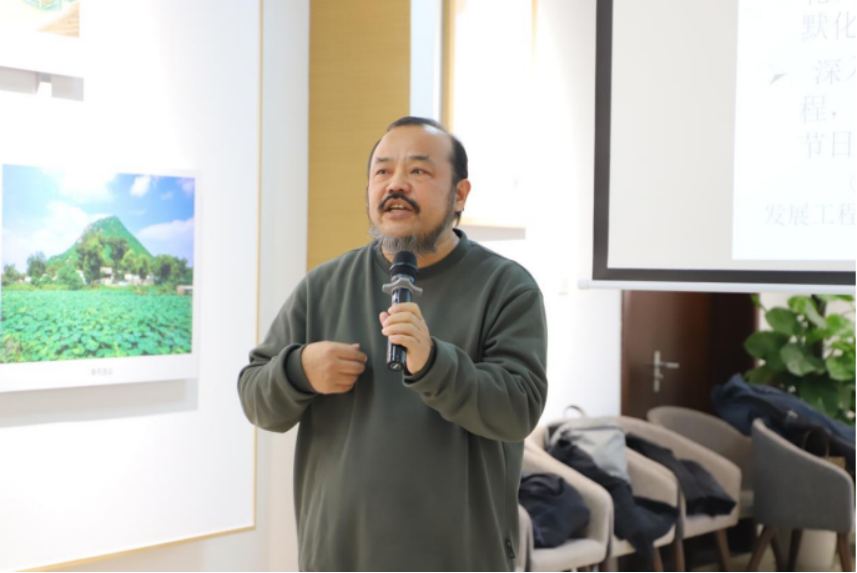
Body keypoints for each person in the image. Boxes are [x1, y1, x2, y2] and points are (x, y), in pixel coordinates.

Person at [238, 116, 548, 571]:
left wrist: (434, 364)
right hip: (338, 559)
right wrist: (299, 371)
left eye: (418, 170)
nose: (396, 184)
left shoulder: (505, 287)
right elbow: (255, 398)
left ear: (459, 194)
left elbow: (519, 409)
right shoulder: (324, 286)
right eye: (382, 171)